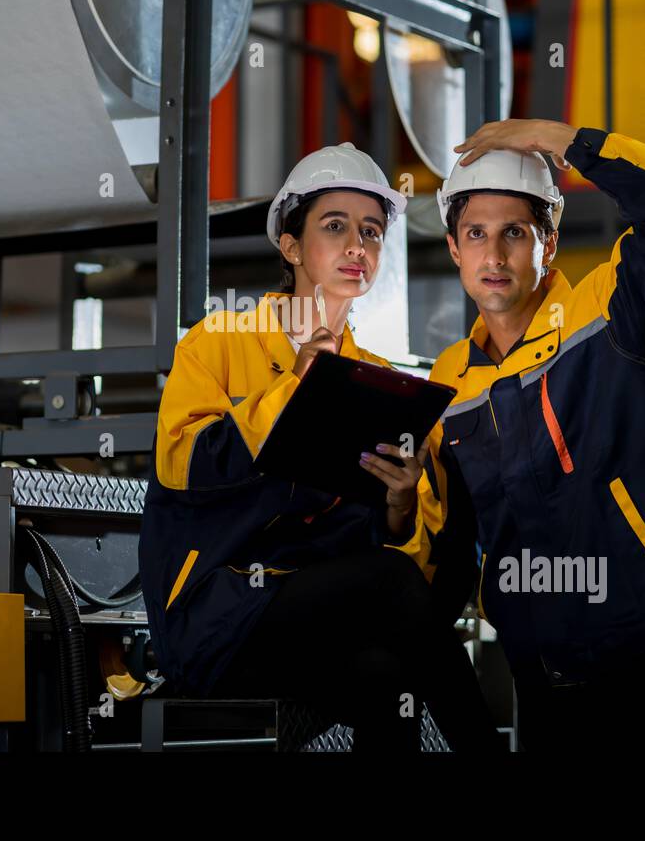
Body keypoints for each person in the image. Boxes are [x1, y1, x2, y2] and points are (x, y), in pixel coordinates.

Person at [139, 142, 501, 752]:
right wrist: (291, 389)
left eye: (371, 232)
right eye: (335, 227)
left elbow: (365, 545)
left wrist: (398, 504)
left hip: (311, 620)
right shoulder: (220, 343)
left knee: (390, 681)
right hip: (216, 620)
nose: (357, 247)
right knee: (390, 583)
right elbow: (185, 465)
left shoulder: (372, 376)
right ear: (290, 244)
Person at [414, 118, 645, 752]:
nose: (494, 257)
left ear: (549, 238)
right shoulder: (449, 385)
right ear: (455, 247)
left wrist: (560, 139)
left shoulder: (608, 313)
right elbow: (449, 540)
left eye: (515, 233)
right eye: (476, 235)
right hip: (546, 673)